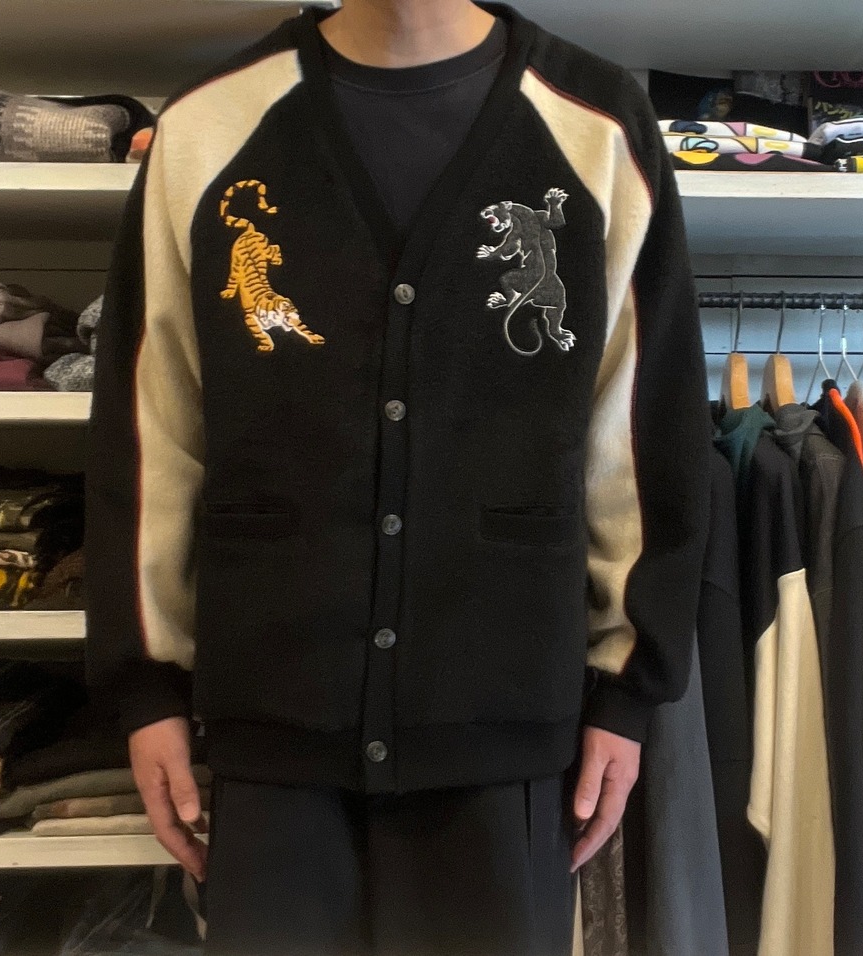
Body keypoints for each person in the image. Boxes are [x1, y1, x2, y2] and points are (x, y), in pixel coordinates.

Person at [85, 0, 710, 952]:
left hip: (503, 717)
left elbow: (640, 427)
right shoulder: (210, 124)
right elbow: (149, 424)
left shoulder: (598, 127)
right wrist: (148, 688)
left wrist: (628, 689)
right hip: (275, 720)